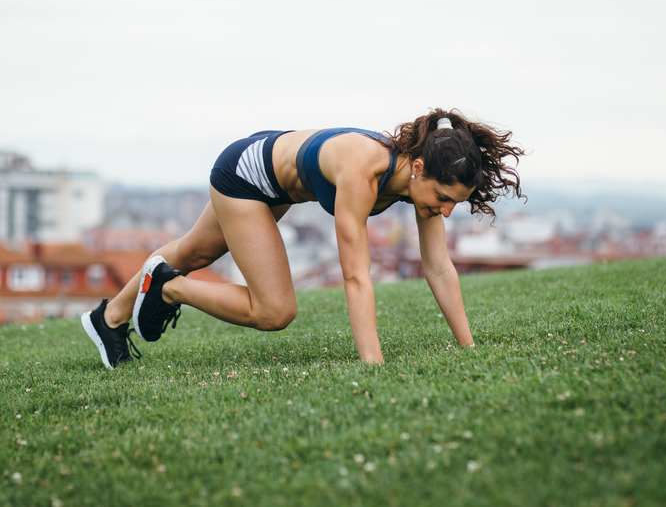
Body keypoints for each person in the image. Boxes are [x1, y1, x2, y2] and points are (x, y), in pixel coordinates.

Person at [81, 108, 525, 368]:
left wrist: (468, 349)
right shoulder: (364, 170)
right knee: (275, 310)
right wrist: (374, 365)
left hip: (271, 176)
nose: (445, 211)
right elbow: (356, 277)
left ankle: (110, 319)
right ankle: (170, 287)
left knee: (190, 251)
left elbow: (439, 266)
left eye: (455, 205)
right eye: (444, 198)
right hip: (246, 174)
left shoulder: (421, 182)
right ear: (422, 168)